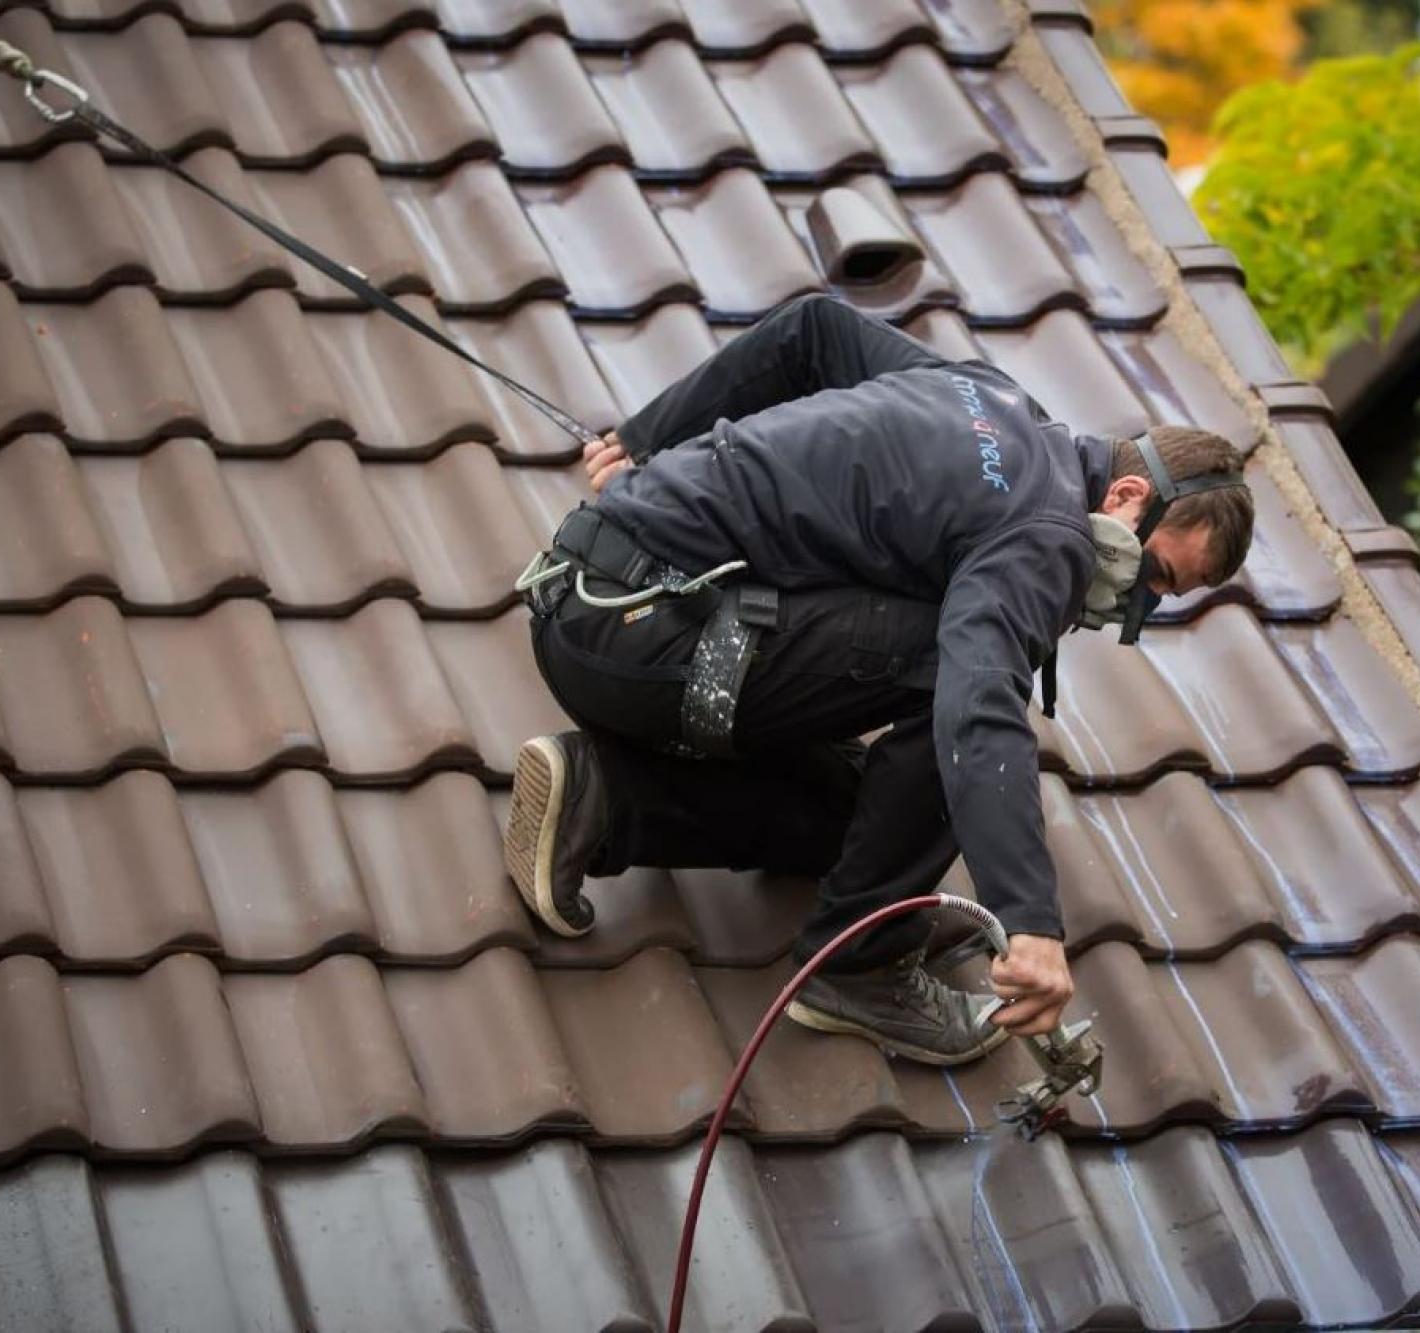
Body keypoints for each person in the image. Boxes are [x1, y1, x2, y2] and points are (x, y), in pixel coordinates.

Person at [504, 293, 1254, 1066]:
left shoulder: (990, 397)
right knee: (957, 677)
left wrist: (645, 439)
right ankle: (858, 970)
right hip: (642, 641)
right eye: (1156, 572)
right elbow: (978, 701)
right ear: (1128, 497)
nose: (1140, 597)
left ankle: (603, 798)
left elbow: (814, 328)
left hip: (584, 594)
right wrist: (1030, 921)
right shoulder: (1051, 533)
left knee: (867, 828)